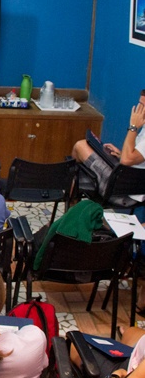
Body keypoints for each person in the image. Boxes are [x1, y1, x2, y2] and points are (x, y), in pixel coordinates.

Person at [72, 90, 145, 315]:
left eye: (143, 105)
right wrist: (119, 151)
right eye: (139, 104)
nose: (139, 110)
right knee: (96, 149)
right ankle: (80, 210)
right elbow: (132, 156)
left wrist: (133, 127)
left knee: (79, 146)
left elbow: (128, 159)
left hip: (123, 191)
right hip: (128, 181)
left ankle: (75, 211)